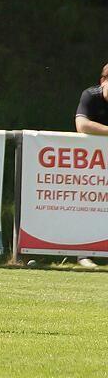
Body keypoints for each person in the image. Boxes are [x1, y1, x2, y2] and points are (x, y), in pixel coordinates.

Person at [73, 61, 108, 268]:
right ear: (103, 81)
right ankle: (83, 254)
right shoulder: (90, 95)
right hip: (91, 166)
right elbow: (82, 125)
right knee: (88, 204)